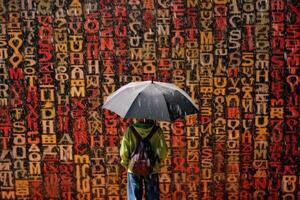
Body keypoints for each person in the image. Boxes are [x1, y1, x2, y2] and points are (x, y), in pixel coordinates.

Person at [120, 118, 168, 200]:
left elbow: (124, 152)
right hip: (152, 168)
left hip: (133, 167)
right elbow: (163, 152)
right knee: (152, 196)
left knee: (134, 197)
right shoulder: (157, 131)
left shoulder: (130, 130)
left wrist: (126, 164)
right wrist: (157, 162)